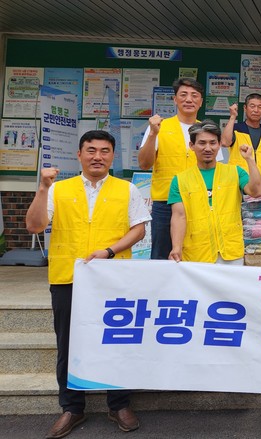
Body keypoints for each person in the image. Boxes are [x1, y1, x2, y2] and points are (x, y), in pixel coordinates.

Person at [26, 130, 150, 438]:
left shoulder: (127, 189)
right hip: (68, 277)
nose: (98, 156)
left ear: (112, 156)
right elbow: (35, 225)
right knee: (68, 344)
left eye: (105, 151)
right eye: (91, 150)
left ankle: (118, 404)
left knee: (116, 341)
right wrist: (42, 188)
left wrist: (109, 251)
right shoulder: (58, 189)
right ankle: (72, 407)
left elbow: (139, 230)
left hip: (113, 276)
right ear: (79, 155)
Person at [137, 78, 222, 260]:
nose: (189, 99)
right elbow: (144, 164)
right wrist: (152, 134)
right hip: (165, 203)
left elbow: (216, 170)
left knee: (199, 256)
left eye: (194, 95)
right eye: (183, 95)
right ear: (175, 99)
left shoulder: (207, 131)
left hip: (200, 202)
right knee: (162, 258)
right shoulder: (159, 128)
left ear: (201, 101)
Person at [168, 120, 261, 264]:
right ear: (192, 146)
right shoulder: (179, 180)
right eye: (202, 143)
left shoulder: (235, 172)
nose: (208, 148)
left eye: (213, 143)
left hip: (231, 252)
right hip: (196, 254)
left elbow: (257, 191)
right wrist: (176, 247)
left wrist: (250, 159)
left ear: (219, 145)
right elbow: (179, 216)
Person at [221, 93, 261, 188]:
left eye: (260, 107)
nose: (256, 110)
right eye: (252, 106)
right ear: (245, 108)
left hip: (260, 186)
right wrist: (233, 117)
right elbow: (225, 142)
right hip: (237, 183)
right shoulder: (236, 128)